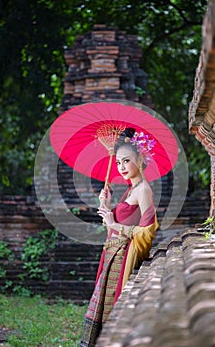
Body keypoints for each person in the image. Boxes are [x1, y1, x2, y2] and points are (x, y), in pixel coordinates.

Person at [80, 128, 159, 347]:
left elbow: (148, 231)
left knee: (113, 311)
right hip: (111, 254)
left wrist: (115, 223)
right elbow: (113, 229)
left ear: (140, 159)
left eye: (126, 161)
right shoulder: (130, 190)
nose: (121, 167)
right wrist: (105, 204)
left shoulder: (143, 190)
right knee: (103, 309)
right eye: (117, 163)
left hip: (123, 258)